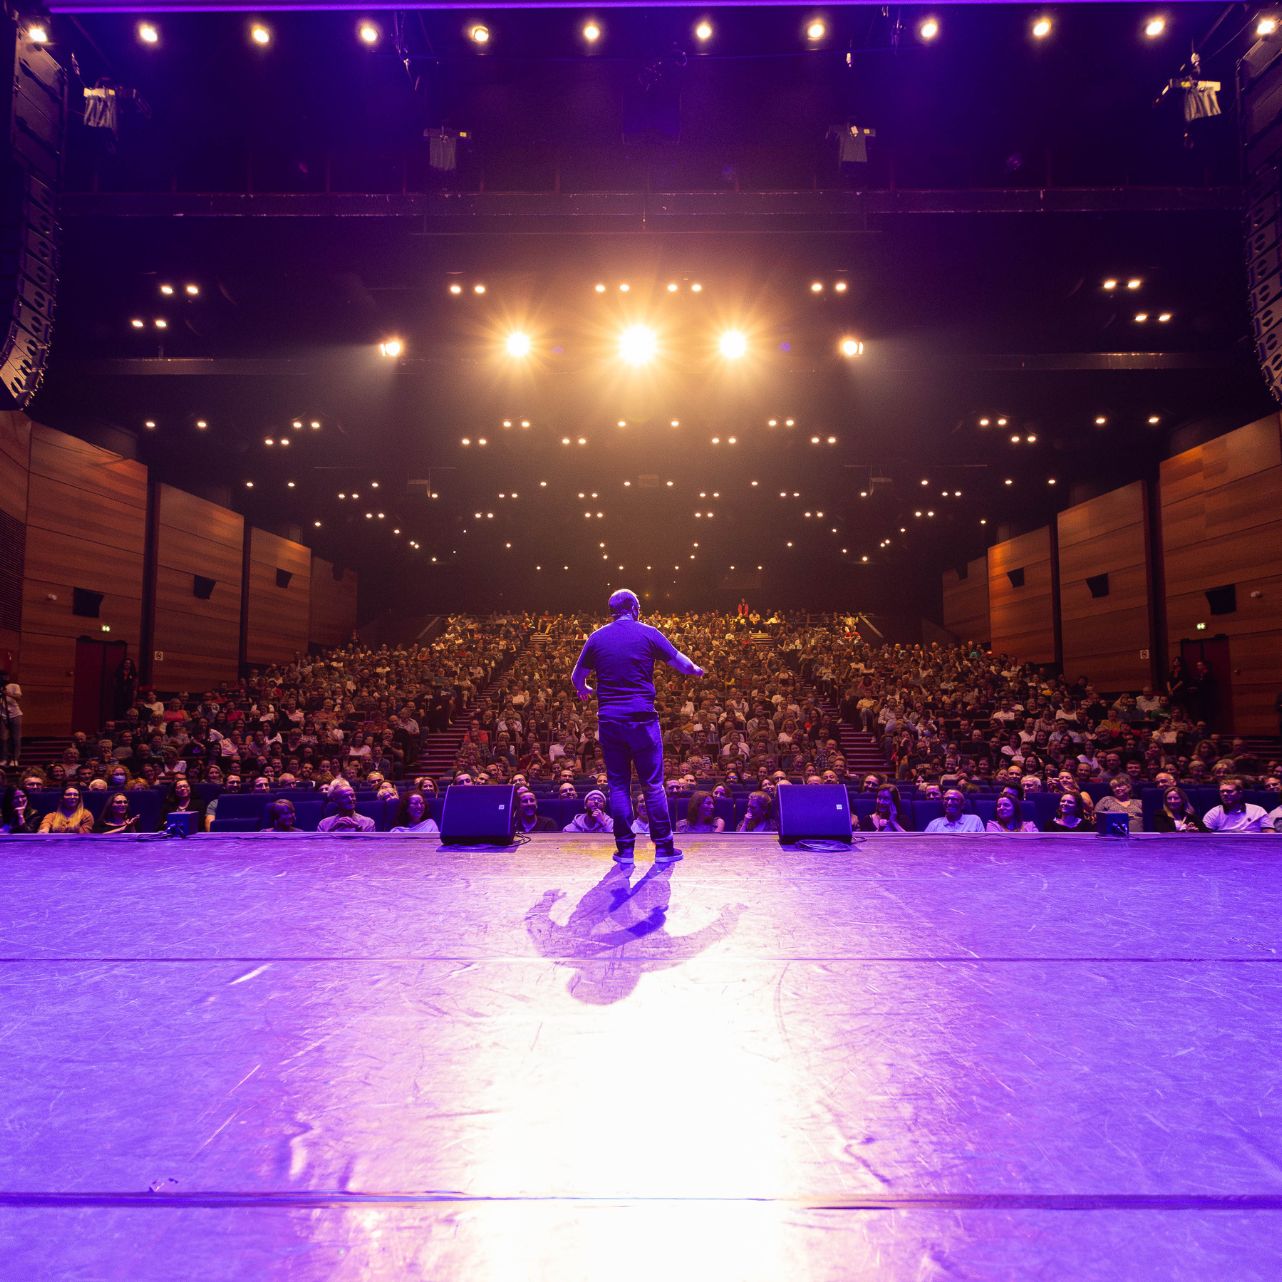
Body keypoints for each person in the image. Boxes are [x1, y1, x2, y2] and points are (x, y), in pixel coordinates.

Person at [571, 588, 705, 865]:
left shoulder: (596, 638)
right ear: (633, 607)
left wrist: (584, 689)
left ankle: (626, 851)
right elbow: (682, 663)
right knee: (653, 786)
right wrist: (695, 670)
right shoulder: (649, 633)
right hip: (642, 719)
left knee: (619, 785)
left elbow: (577, 677)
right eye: (639, 604)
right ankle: (665, 849)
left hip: (610, 721)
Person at [1202, 777, 1272, 833]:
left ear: (1240, 793)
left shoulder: (1258, 810)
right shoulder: (1214, 813)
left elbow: (1270, 834)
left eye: (1229, 791)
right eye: (1222, 792)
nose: (1225, 794)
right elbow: (1204, 835)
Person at [1, 671, 21, 768]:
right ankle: (4, 758)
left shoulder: (14, 686)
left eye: (6, 676)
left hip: (15, 715)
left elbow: (19, 697)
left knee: (15, 738)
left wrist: (7, 694)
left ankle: (15, 759)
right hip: (2, 715)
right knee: (3, 738)